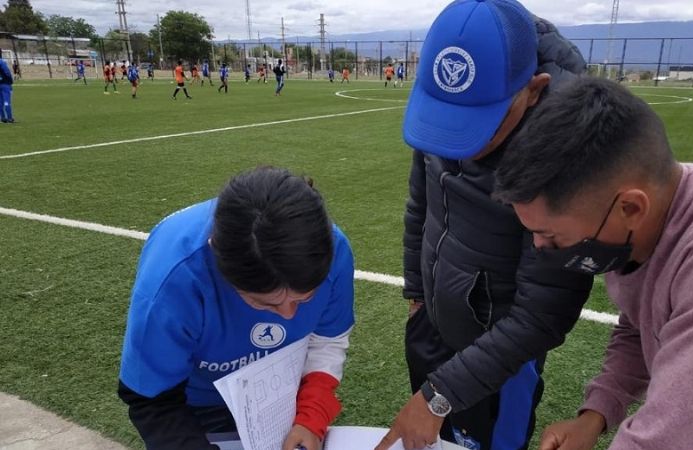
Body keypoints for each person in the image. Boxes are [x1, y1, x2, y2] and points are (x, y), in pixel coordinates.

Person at [494, 77, 693, 450]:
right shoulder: (642, 221)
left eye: (553, 237)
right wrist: (596, 414)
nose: (540, 247)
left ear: (631, 207)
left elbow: (675, 433)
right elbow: (643, 325)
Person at [376, 1, 589, 450]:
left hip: (502, 353)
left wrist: (439, 396)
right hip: (432, 320)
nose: (459, 142)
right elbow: (422, 203)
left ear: (534, 90)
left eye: (483, 124)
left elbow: (545, 311)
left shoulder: (569, 155)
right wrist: (417, 294)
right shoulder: (444, 107)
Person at [118, 166, 356, 450]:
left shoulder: (334, 251)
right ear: (221, 267)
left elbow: (327, 340)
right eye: (264, 303)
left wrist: (310, 417)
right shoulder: (174, 278)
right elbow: (152, 399)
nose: (289, 315)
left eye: (304, 299)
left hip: (279, 396)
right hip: (194, 405)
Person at [0, 50, 15, 123]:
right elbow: (7, 72)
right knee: (7, 101)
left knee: (0, 102)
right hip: (4, 83)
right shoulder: (1, 62)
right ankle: (9, 118)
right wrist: (10, 81)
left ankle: (2, 118)